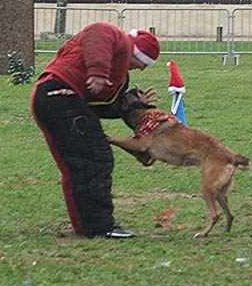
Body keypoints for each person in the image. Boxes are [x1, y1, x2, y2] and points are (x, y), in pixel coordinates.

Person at [30, 22, 160, 239]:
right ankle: (98, 227)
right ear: (136, 52)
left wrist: (135, 103)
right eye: (143, 62)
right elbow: (97, 32)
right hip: (59, 94)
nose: (142, 69)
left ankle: (89, 225)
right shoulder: (117, 38)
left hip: (57, 98)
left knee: (86, 161)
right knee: (93, 159)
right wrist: (97, 71)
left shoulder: (119, 74)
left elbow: (104, 106)